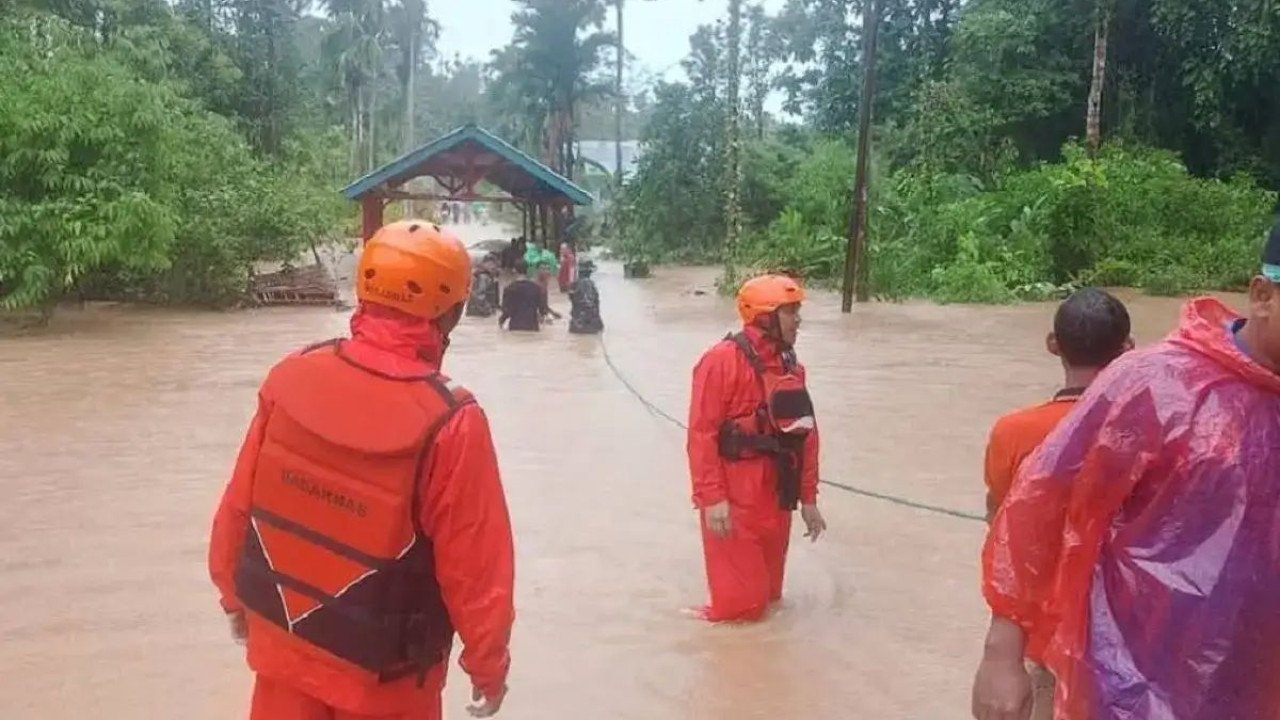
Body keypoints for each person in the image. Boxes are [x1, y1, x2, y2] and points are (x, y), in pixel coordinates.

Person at [208, 220, 515, 720]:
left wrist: (231, 595)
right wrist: (489, 667)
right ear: (452, 312)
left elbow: (239, 505)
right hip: (387, 683)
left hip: (283, 649)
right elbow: (478, 569)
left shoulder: (290, 375)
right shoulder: (453, 422)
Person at [972, 221, 1280, 720]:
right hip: (1133, 688)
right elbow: (1040, 507)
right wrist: (1001, 655)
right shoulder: (1153, 384)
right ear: (1263, 295)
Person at [979, 288, 1132, 720]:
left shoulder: (1012, 431)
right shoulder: (1145, 429)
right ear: (1128, 351)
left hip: (1041, 628)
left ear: (1053, 344)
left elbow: (1002, 521)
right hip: (1120, 630)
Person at [686, 274, 827, 622]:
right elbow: (702, 434)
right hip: (734, 500)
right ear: (765, 317)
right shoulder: (720, 361)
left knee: (770, 600)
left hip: (777, 497)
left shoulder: (792, 367)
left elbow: (807, 436)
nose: (798, 321)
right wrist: (712, 499)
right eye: (790, 312)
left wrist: (808, 498)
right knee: (739, 611)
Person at [499, 260, 559, 332]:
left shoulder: (509, 289)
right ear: (527, 270)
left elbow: (506, 311)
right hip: (532, 326)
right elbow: (543, 310)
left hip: (515, 326)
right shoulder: (536, 288)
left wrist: (501, 321)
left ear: (514, 270)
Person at [568, 259, 603, 335]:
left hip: (576, 325)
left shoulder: (574, 285)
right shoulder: (589, 284)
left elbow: (574, 302)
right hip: (589, 324)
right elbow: (591, 305)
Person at [466, 253, 501, 318]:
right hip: (481, 312)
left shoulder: (487, 276)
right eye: (492, 265)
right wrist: (488, 309)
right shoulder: (483, 277)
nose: (495, 268)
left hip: (477, 312)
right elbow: (479, 295)